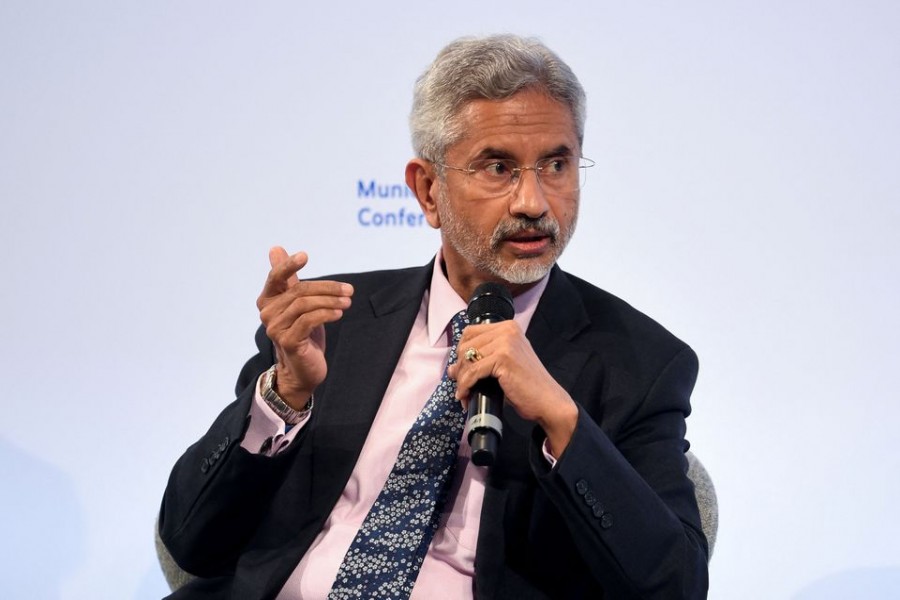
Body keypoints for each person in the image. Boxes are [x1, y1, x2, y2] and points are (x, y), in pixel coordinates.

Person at [158, 34, 709, 599]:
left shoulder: (639, 363)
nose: (534, 202)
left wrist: (562, 421)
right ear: (428, 191)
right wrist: (282, 398)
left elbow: (676, 586)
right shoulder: (335, 325)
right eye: (498, 167)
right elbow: (190, 542)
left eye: (556, 164)